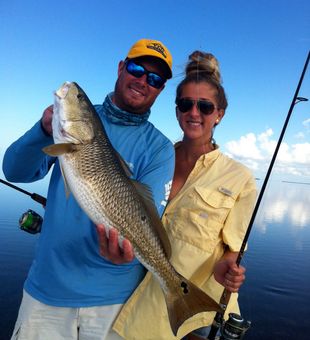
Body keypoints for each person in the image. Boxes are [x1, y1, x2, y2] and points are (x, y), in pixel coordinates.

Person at [3, 38, 175, 340]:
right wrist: (42, 131)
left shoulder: (160, 148)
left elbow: (146, 217)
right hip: (46, 291)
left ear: (160, 89)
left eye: (155, 79)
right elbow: (14, 171)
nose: (143, 80)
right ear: (121, 68)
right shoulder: (68, 127)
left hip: (115, 302)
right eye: (136, 68)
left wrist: (132, 255)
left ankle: (177, 294)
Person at [97, 51, 257, 339]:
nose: (194, 113)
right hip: (142, 305)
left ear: (219, 114)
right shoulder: (157, 159)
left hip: (200, 311)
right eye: (186, 104)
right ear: (177, 110)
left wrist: (228, 270)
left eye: (205, 107)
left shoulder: (240, 178)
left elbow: (233, 250)